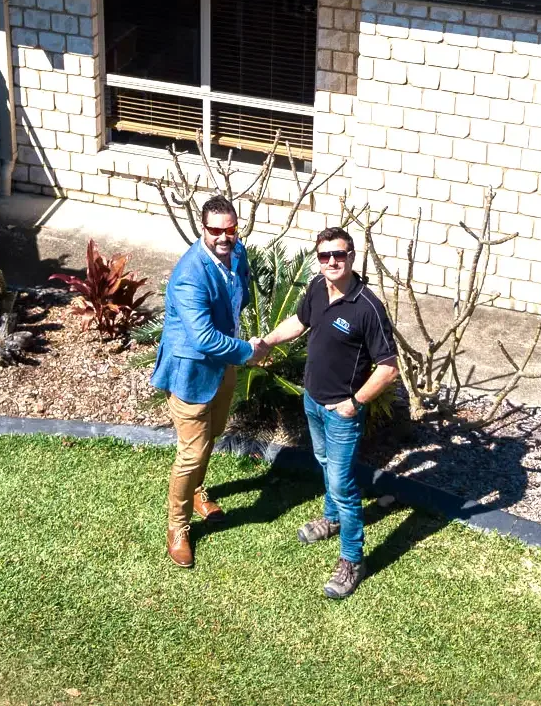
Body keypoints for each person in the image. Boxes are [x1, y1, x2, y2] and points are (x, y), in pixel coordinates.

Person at [259, 225, 397, 599]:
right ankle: (332, 518)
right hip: (312, 401)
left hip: (342, 412)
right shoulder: (317, 289)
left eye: (340, 254)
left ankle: (352, 559)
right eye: (325, 256)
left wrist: (355, 404)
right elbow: (300, 321)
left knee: (343, 484)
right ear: (318, 260)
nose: (332, 261)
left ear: (352, 257)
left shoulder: (368, 308)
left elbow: (388, 367)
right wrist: (268, 342)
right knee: (323, 460)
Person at [152, 193, 267, 568]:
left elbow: (239, 298)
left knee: (213, 435)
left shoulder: (240, 253)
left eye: (230, 229)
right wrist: (247, 349)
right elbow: (202, 339)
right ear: (203, 229)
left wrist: (236, 347)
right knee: (191, 452)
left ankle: (199, 493)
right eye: (215, 230)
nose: (223, 236)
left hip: (223, 365)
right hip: (192, 372)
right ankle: (177, 527)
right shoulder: (190, 275)